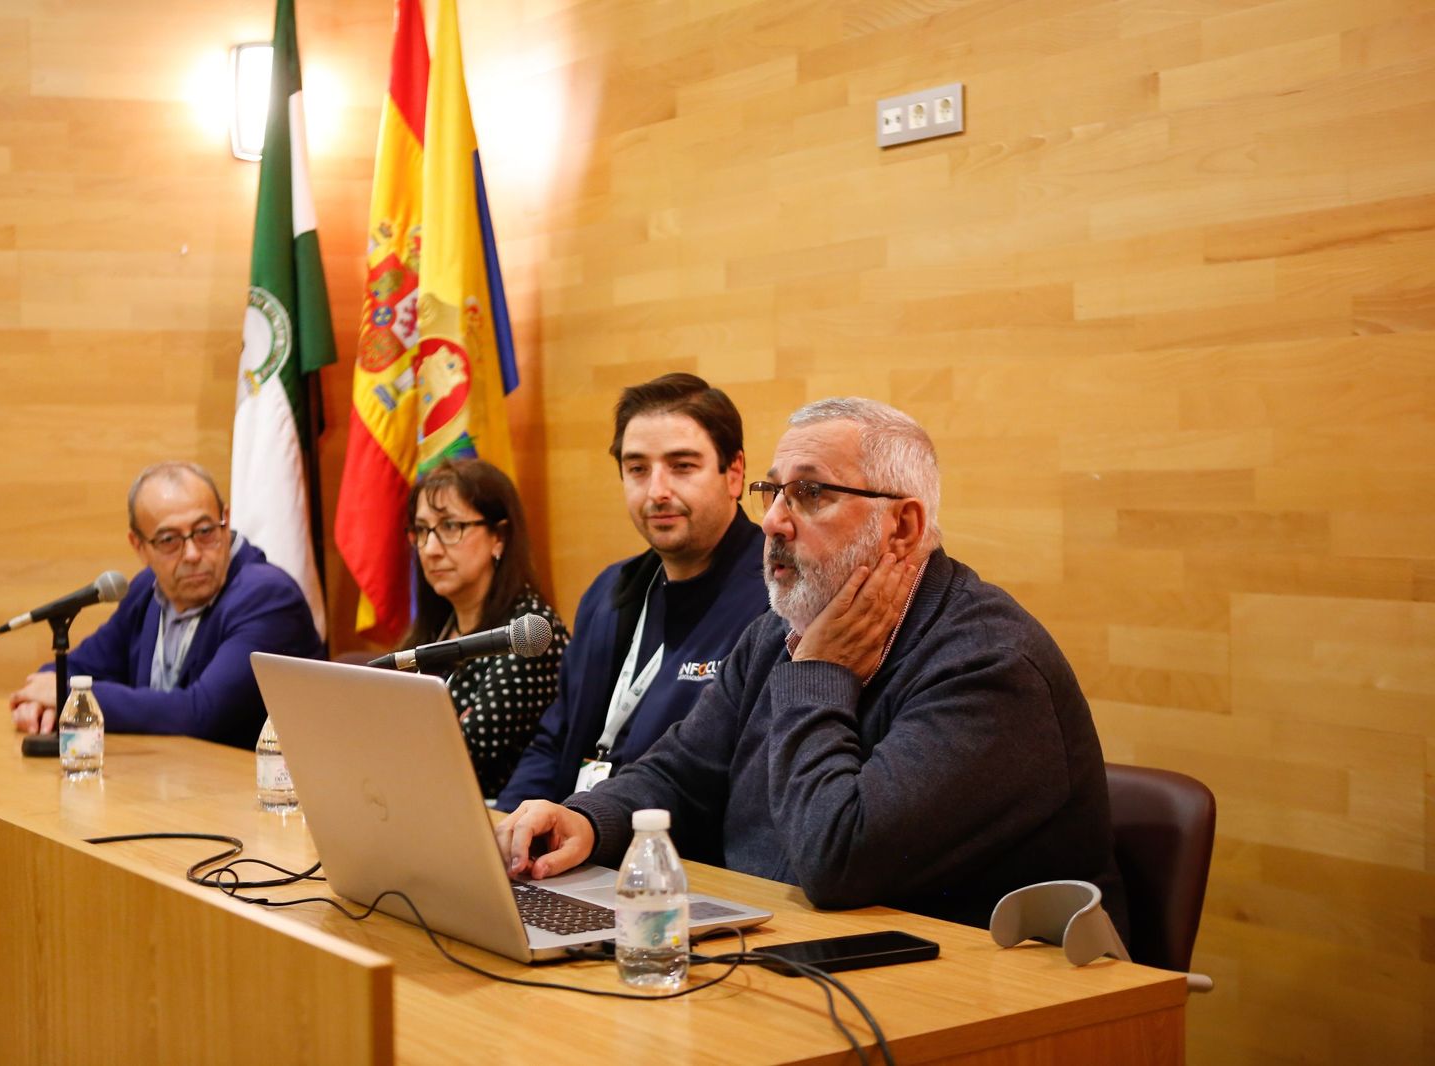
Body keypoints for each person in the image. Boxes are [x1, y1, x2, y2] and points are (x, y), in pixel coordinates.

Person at [496, 398, 1127, 936]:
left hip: (977, 1008)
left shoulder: (989, 665)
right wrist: (588, 818)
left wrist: (820, 674)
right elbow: (684, 772)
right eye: (773, 491)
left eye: (811, 494)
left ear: (902, 527)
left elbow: (836, 857)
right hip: (795, 953)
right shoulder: (781, 629)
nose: (772, 520)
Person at [493, 373, 769, 811]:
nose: (657, 491)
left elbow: (731, 785)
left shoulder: (775, 601)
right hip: (577, 853)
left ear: (733, 473)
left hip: (677, 862)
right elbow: (554, 742)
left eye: (682, 466)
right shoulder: (608, 592)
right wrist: (504, 827)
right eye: (638, 468)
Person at [8, 461, 325, 749]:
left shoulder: (266, 597)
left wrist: (69, 696)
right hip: (169, 787)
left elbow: (201, 714)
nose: (192, 554)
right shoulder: (147, 589)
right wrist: (42, 697)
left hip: (255, 796)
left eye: (204, 532)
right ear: (139, 546)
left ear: (225, 522)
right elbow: (79, 666)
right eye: (169, 540)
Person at [404, 458, 570, 797]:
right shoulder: (437, 626)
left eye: (451, 527)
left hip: (498, 824)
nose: (431, 550)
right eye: (422, 531)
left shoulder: (530, 634)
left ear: (499, 537)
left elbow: (460, 759)